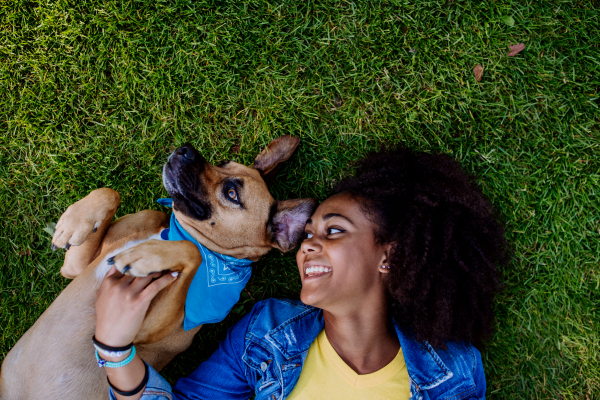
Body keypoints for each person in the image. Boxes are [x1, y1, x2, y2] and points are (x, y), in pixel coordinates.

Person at [94, 148, 509, 400]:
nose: (308, 244)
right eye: (308, 233)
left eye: (333, 231)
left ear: (390, 256)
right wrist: (115, 349)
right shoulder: (266, 333)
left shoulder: (453, 371)